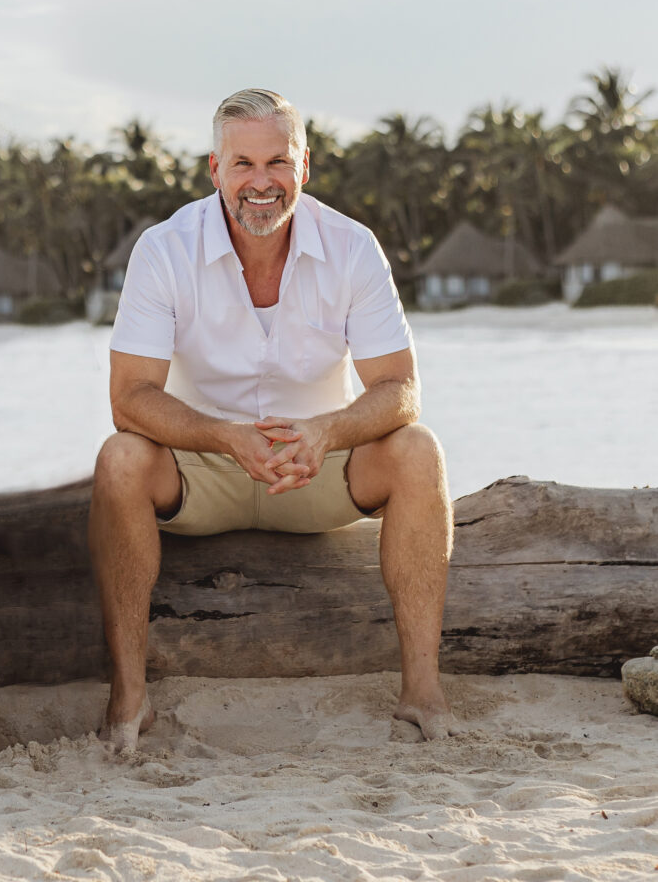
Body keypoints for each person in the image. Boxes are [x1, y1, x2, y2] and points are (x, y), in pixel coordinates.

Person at [88, 88, 458, 752]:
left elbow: (400, 388)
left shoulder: (352, 247)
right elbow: (131, 397)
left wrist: (327, 432)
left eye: (277, 163)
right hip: (203, 470)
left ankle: (422, 694)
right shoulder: (164, 249)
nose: (261, 182)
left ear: (304, 167)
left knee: (419, 451)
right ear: (215, 171)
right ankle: (128, 699)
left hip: (319, 466)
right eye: (243, 164)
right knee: (119, 457)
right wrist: (224, 437)